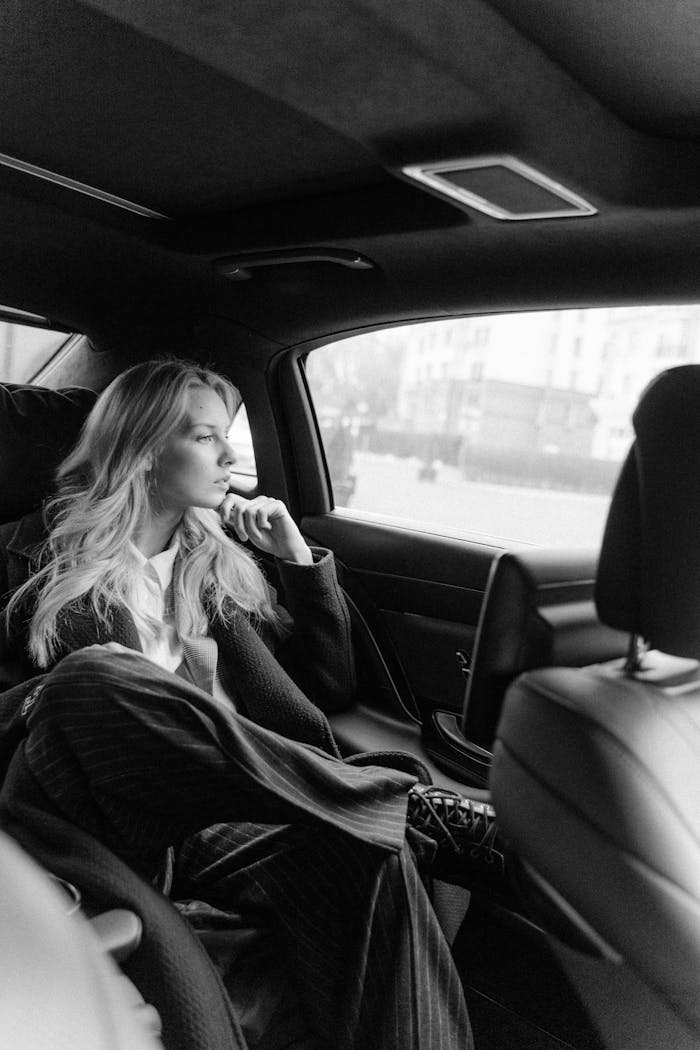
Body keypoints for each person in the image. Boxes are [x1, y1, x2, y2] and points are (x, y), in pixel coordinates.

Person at [0, 359, 498, 1050]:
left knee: (372, 861)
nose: (231, 454)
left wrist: (297, 562)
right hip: (105, 810)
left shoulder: (221, 563)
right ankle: (401, 807)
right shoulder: (25, 556)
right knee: (92, 677)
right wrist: (70, 691)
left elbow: (324, 694)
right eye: (205, 437)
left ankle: (381, 816)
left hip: (230, 814)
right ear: (142, 447)